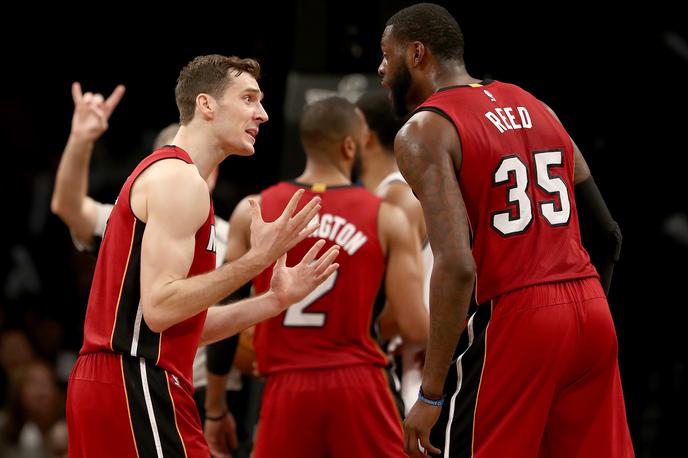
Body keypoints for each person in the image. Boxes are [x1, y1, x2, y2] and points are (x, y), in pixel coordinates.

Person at [378, 4, 631, 457]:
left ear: (416, 54)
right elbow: (607, 232)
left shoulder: (425, 130)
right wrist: (581, 311)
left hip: (517, 316)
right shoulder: (539, 106)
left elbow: (456, 265)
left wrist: (432, 392)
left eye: (386, 55)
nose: (380, 69)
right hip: (592, 313)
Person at [64, 54, 340, 458]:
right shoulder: (179, 179)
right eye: (248, 98)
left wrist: (274, 300)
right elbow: (161, 307)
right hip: (134, 379)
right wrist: (256, 260)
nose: (262, 114)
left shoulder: (180, 180)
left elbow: (180, 325)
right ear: (206, 105)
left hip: (121, 379)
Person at [204, 96, 428, 458]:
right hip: (358, 381)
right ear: (351, 145)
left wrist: (215, 408)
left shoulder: (254, 210)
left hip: (285, 384)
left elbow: (225, 307)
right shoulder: (386, 217)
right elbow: (415, 328)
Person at [50, 82, 249, 442]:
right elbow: (68, 206)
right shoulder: (130, 214)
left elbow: (198, 322)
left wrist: (273, 301)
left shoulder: (228, 231)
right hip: (145, 379)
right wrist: (80, 140)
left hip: (201, 383)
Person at [357, 91, 431, 414]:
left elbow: (401, 313)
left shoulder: (396, 198)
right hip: (404, 355)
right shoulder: (389, 192)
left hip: (411, 368)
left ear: (363, 135)